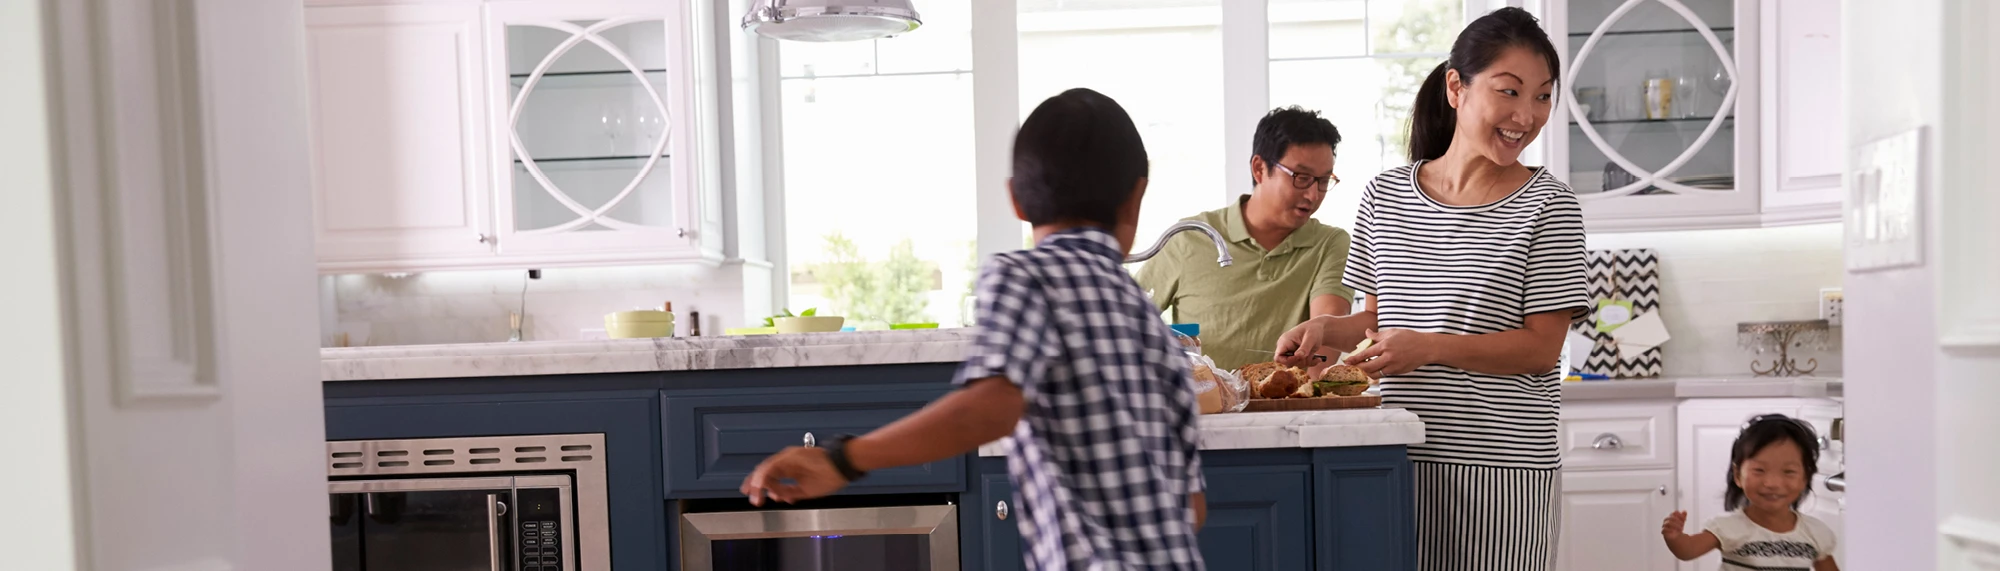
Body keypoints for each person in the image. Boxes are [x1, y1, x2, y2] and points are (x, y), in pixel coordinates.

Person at [739, 88, 1208, 570]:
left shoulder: (1025, 276)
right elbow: (1191, 508)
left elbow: (991, 408)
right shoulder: (1153, 326)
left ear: (1015, 199)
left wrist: (844, 459)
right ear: (1138, 195)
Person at [1271, 7, 1587, 570]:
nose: (1527, 115)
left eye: (1542, 96)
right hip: (1395, 455)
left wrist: (1430, 346)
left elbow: (1541, 347)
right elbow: (1380, 321)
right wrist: (1329, 330)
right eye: (1509, 91)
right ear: (1456, 87)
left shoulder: (1549, 205)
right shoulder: (1386, 194)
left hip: (1503, 472)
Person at [1134, 106, 1354, 371]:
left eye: (1322, 180)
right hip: (1206, 409)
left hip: (1290, 408)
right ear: (1260, 168)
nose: (1313, 195)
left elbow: (1326, 339)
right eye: (1302, 177)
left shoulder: (1329, 244)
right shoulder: (1190, 238)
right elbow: (1128, 324)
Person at [1661, 414, 1840, 570]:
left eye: (1788, 472)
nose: (1772, 483)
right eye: (1759, 470)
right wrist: (1675, 538)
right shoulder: (1729, 527)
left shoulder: (1815, 533)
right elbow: (1689, 550)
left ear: (1805, 478)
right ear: (1738, 475)